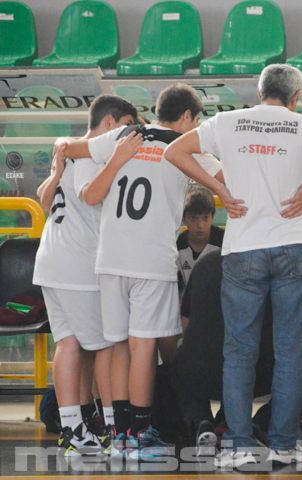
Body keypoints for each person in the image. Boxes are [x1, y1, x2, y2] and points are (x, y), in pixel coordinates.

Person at [164, 64, 302, 468]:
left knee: (239, 351)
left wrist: (218, 189)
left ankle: (240, 446)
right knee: (291, 352)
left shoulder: (229, 122)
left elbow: (174, 151)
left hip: (242, 247)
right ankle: (284, 445)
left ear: (259, 93)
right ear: (296, 97)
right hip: (294, 243)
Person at [55, 83, 229, 460]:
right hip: (151, 260)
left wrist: (61, 145)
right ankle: (139, 432)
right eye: (195, 121)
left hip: (109, 258)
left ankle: (118, 434)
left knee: (119, 345)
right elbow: (230, 179)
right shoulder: (185, 145)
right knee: (144, 346)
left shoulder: (124, 135)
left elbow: (72, 148)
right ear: (187, 116)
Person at [33, 94, 138, 456]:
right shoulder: (93, 154)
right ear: (109, 122)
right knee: (107, 344)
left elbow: (44, 198)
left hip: (51, 260)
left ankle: (74, 427)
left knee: (69, 344)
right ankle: (112, 426)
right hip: (77, 263)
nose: (129, 135)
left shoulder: (68, 149)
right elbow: (91, 195)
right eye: (126, 126)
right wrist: (119, 159)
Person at [172, 248, 275, 456]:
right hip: (255, 374)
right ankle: (258, 423)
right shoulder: (268, 266)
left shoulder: (204, 264)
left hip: (200, 373)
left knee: (178, 362)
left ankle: (201, 419)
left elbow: (186, 322)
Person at [177, 185, 224, 295]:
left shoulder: (224, 241)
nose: (200, 225)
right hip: (188, 302)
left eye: (205, 217)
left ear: (212, 217)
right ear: (183, 218)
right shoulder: (177, 245)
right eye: (193, 218)